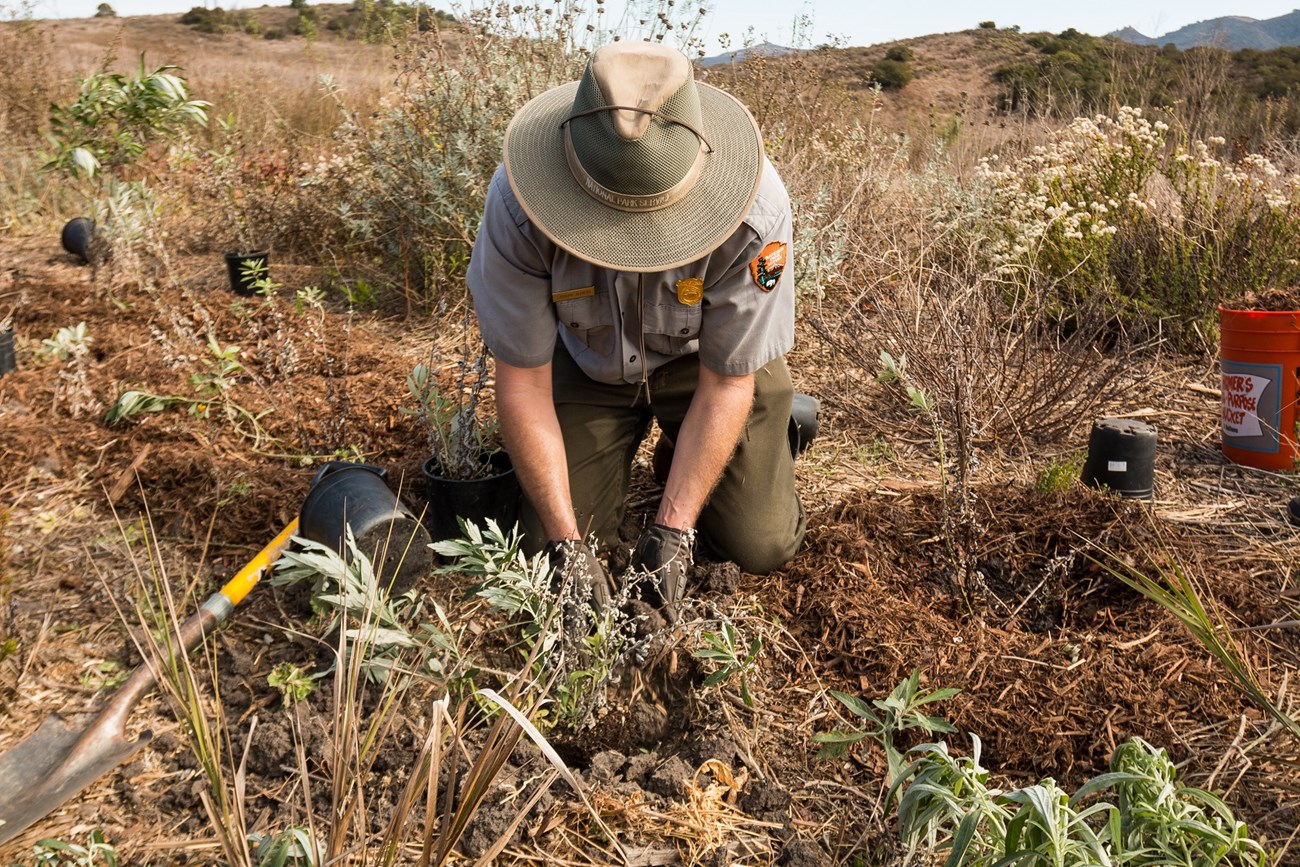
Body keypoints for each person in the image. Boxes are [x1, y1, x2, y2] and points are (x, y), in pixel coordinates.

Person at [466, 39, 806, 618]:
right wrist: (567, 542)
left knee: (759, 543)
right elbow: (522, 382)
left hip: (705, 367)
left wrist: (674, 531)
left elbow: (726, 383)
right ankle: (656, 466)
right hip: (586, 367)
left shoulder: (756, 214)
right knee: (540, 548)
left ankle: (766, 429)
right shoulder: (518, 207)